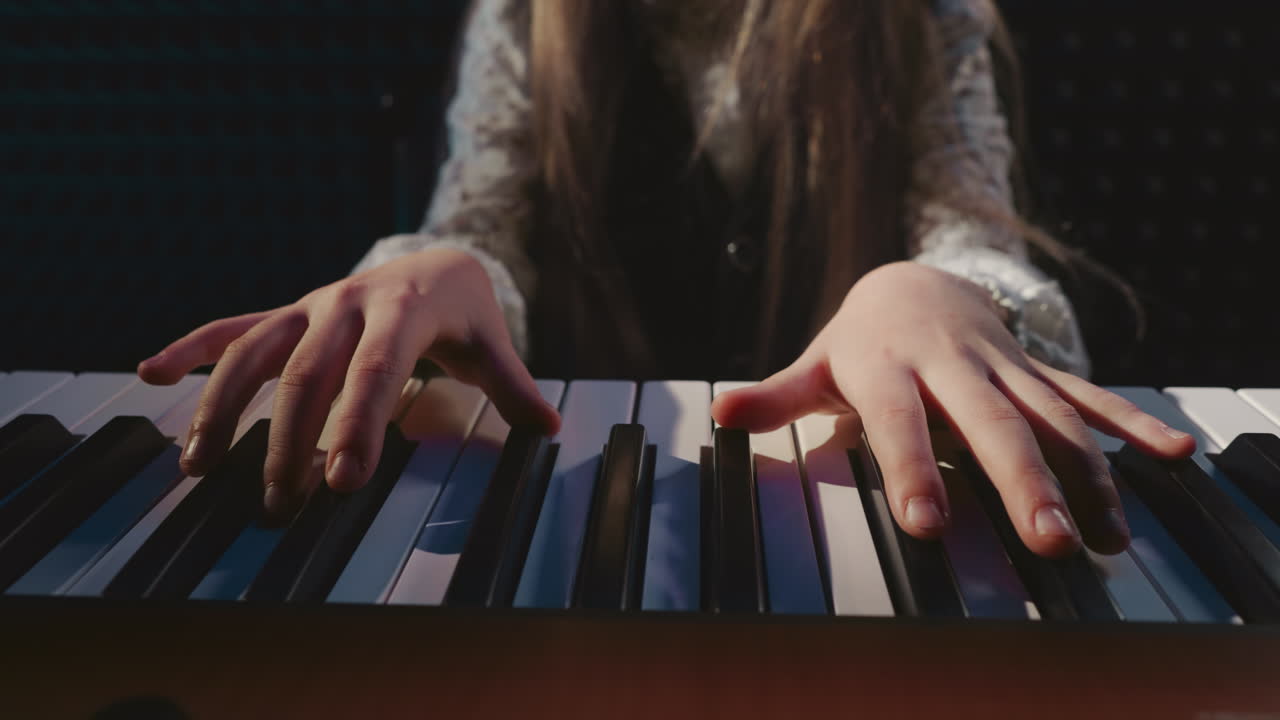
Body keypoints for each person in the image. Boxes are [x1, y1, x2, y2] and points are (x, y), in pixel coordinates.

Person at [137, 0, 1195, 559]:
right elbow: (480, 231)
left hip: (858, 505)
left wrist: (942, 294)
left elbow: (974, 241)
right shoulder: (524, 16)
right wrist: (434, 273)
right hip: (576, 521)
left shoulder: (921, 12)